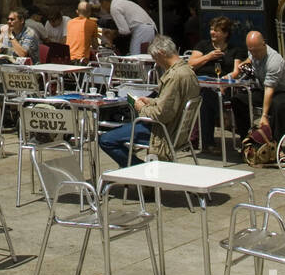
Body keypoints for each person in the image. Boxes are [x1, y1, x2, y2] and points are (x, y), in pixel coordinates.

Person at [99, 34, 200, 167]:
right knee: (121, 131)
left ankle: (141, 171)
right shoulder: (188, 71)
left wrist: (141, 107)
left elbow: (161, 114)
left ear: (162, 53)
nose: (156, 63)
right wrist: (150, 101)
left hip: (163, 131)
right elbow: (172, 103)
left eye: (155, 58)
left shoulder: (175, 76)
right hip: (178, 131)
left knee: (106, 140)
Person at [188, 15, 246, 152]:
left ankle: (208, 143)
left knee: (205, 99)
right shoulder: (203, 46)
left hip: (223, 88)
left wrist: (225, 79)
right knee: (205, 95)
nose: (212, 32)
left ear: (225, 34)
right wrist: (209, 56)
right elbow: (191, 64)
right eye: (211, 29)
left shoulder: (235, 50)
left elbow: (236, 71)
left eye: (216, 30)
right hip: (201, 86)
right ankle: (223, 118)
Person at [228, 31, 285, 146]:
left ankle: (275, 144)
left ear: (263, 44)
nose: (254, 54)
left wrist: (264, 116)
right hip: (262, 88)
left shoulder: (274, 61)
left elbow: (270, 89)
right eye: (251, 50)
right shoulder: (253, 51)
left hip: (280, 90)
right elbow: (250, 59)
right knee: (237, 100)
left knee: (277, 106)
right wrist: (243, 64)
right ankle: (248, 140)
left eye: (256, 51)